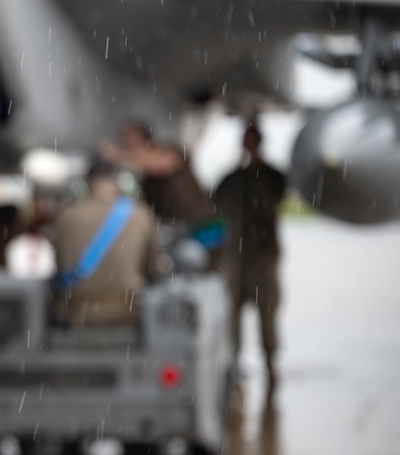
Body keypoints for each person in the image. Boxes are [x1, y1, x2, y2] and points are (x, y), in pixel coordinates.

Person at [214, 122, 286, 393]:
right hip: (235, 257)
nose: (249, 146)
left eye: (253, 141)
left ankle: (271, 364)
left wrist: (255, 169)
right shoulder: (232, 179)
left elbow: (277, 196)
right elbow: (216, 203)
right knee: (232, 314)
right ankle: (234, 365)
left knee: (267, 313)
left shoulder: (271, 176)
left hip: (264, 257)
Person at [49, 161, 163, 328]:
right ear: (123, 185)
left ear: (84, 187)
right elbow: (154, 269)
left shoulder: (65, 216)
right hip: (129, 313)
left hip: (78, 314)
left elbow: (59, 268)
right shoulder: (140, 214)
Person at [100, 120, 223, 249]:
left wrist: (116, 155)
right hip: (178, 231)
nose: (127, 144)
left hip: (203, 229)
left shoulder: (170, 153)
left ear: (144, 139)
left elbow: (158, 163)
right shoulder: (142, 173)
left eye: (130, 138)